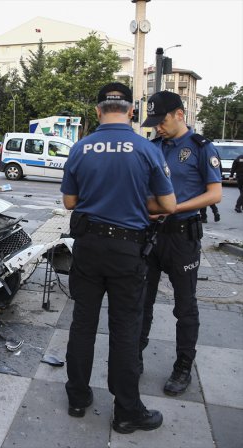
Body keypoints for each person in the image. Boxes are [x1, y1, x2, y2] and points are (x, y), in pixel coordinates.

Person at [61, 82, 176, 434]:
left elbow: (69, 202)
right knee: (125, 330)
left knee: (83, 323)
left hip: (88, 247)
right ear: (130, 111)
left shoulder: (81, 148)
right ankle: (127, 411)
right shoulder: (145, 148)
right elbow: (169, 205)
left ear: (98, 111)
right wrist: (132, 204)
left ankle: (78, 397)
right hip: (128, 250)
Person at [139, 91, 222, 397]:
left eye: (161, 120)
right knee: (141, 301)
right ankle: (135, 357)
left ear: (178, 114)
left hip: (182, 237)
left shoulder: (201, 148)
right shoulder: (153, 147)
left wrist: (174, 207)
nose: (157, 127)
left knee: (184, 307)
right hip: (150, 235)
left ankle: (183, 366)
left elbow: (215, 194)